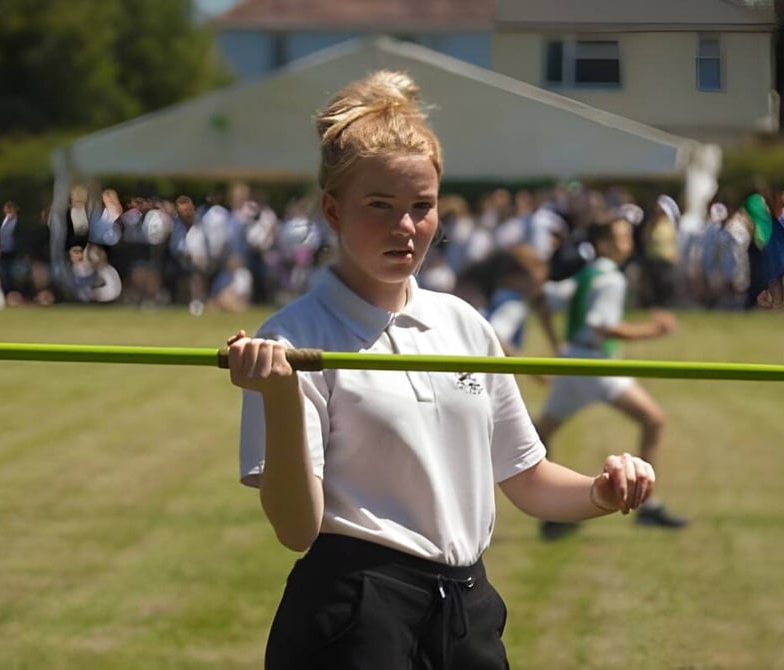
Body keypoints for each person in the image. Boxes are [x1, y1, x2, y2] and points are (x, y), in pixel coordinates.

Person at [224, 70, 656, 670]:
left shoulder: (465, 326)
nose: (406, 227)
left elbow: (527, 480)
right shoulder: (293, 339)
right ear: (333, 210)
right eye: (380, 206)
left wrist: (600, 493)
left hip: (468, 615)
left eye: (421, 207)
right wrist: (278, 395)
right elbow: (298, 529)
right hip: (355, 618)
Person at [534, 214, 686, 540]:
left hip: (571, 363)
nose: (626, 242)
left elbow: (542, 299)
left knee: (538, 433)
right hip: (596, 366)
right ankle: (646, 505)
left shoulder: (587, 273)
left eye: (628, 235)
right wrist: (654, 330)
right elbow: (602, 326)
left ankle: (550, 509)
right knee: (654, 421)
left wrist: (556, 343)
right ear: (602, 243)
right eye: (619, 236)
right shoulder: (612, 278)